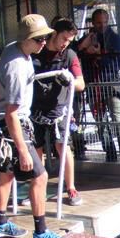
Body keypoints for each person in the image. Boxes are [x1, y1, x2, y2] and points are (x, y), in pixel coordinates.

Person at [0, 14, 67, 238]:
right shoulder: (19, 68)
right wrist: (23, 150)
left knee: (6, 173)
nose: (43, 42)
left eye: (45, 37)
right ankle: (40, 233)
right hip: (11, 127)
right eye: (38, 39)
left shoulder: (12, 49)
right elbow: (12, 114)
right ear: (27, 39)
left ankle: (0, 223)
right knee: (40, 177)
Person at [32, 17, 85, 206]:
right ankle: (38, 186)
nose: (65, 44)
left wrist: (69, 79)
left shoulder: (69, 55)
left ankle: (71, 188)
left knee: (63, 146)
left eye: (69, 41)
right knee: (35, 147)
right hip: (35, 109)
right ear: (54, 34)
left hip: (59, 110)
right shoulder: (36, 52)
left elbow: (80, 83)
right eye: (64, 38)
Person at [75, 8, 120, 162]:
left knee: (118, 120)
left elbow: (117, 64)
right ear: (93, 23)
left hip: (111, 85)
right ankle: (110, 154)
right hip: (94, 86)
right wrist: (87, 51)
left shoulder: (115, 39)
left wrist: (98, 55)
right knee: (101, 123)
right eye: (99, 23)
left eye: (105, 22)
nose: (102, 25)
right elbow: (75, 54)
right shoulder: (87, 39)